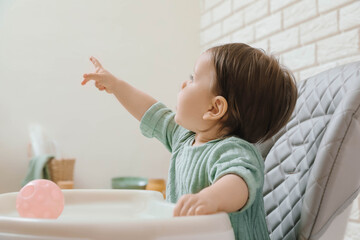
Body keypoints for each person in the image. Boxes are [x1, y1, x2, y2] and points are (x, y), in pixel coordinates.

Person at [81, 43, 298, 240]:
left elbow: (239, 182)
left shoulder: (234, 150)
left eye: (193, 79)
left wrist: (210, 199)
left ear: (214, 109)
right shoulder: (184, 137)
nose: (184, 83)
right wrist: (116, 86)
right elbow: (151, 112)